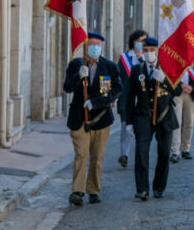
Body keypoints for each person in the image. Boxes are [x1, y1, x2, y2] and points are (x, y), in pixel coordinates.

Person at [63, 32, 122, 206]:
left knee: (97, 156)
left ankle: (94, 190)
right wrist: (78, 77)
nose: (94, 47)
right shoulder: (76, 64)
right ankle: (77, 191)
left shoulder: (109, 67)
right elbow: (67, 87)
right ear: (85, 46)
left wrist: (96, 102)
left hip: (101, 119)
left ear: (101, 47)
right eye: (91, 44)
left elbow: (117, 89)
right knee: (81, 154)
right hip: (79, 118)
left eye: (97, 44)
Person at [124, 37, 181, 200]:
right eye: (146, 50)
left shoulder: (168, 68)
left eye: (152, 50)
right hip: (143, 115)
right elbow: (130, 97)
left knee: (163, 154)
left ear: (158, 51)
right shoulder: (136, 69)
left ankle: (159, 187)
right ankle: (142, 189)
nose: (149, 53)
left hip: (165, 115)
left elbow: (177, 91)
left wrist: (164, 79)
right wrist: (128, 122)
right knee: (141, 153)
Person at [117, 29, 147, 168]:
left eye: (143, 41)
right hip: (126, 98)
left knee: (139, 130)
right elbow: (119, 78)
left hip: (141, 99)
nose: (141, 44)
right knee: (126, 128)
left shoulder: (147, 58)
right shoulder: (124, 58)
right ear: (133, 42)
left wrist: (141, 58)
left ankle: (140, 156)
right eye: (139, 41)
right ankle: (124, 155)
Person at [170, 60, 194, 163]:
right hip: (178, 90)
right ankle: (175, 151)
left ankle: (186, 149)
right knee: (177, 122)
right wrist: (181, 84)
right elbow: (170, 71)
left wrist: (192, 86)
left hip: (192, 92)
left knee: (189, 122)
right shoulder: (175, 52)